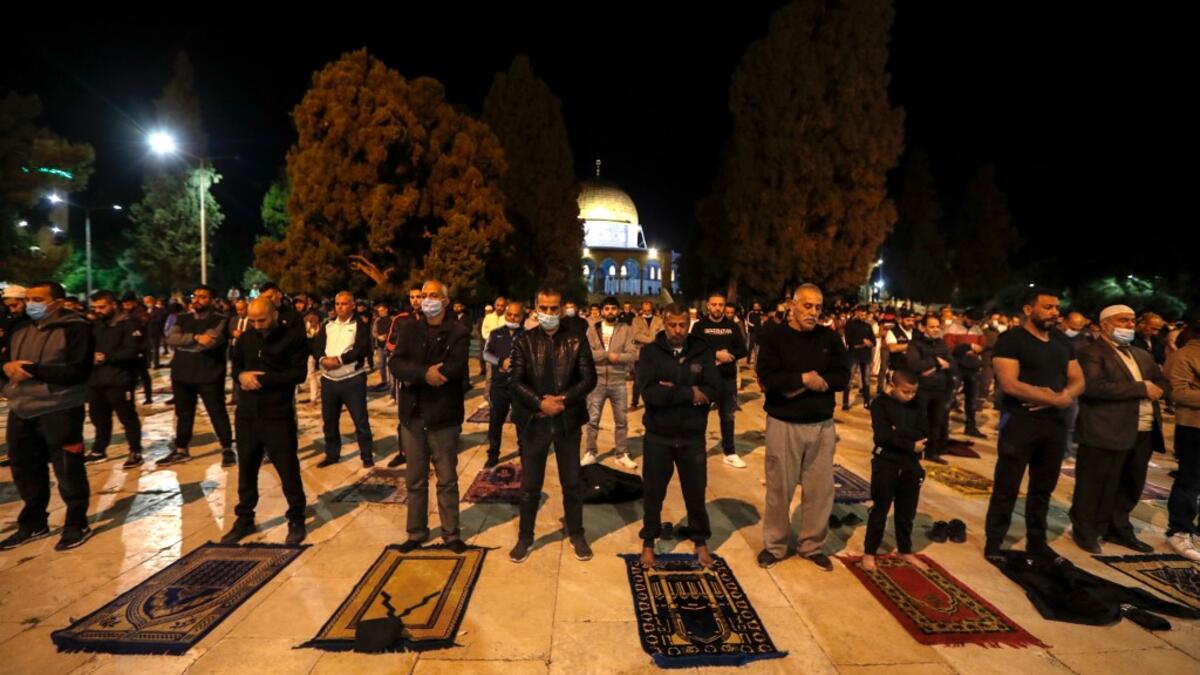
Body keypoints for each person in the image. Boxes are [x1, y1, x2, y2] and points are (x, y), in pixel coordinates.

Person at [984, 288, 1084, 562]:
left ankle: (1037, 542)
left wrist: (1062, 398)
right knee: (1007, 486)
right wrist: (1054, 398)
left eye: (1056, 307)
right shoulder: (1011, 340)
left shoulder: (1062, 342)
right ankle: (994, 542)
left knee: (1043, 489)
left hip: (1054, 427)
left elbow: (1078, 380)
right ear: (1028, 310)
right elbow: (1009, 383)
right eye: (1048, 307)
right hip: (1019, 423)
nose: (1055, 312)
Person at [755, 284, 849, 571]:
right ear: (792, 305)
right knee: (779, 489)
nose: (814, 312)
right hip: (784, 424)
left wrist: (818, 381)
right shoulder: (774, 336)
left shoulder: (829, 337)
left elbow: (842, 375)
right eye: (808, 306)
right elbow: (769, 378)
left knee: (820, 491)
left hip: (821, 425)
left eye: (818, 307)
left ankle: (811, 545)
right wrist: (803, 379)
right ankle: (775, 545)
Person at [0, 281, 95, 550]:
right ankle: (33, 523)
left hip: (60, 408)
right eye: (28, 298)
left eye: (38, 299)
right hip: (22, 408)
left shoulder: (76, 328)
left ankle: (77, 523)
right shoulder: (19, 327)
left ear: (58, 302)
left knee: (67, 468)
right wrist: (6, 368)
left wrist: (33, 369)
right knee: (25, 468)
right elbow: (5, 361)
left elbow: (78, 371)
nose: (31, 304)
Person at [507, 287, 597, 564]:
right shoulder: (523, 340)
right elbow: (514, 380)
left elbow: (588, 378)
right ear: (535, 308)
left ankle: (577, 533)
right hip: (535, 422)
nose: (549, 313)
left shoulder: (576, 339)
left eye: (554, 308)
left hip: (567, 421)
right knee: (530, 485)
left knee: (571, 483)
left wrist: (564, 400)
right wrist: (539, 403)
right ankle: (525, 537)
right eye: (544, 308)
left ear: (561, 309)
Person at [1070, 305, 1169, 554]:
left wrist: (1157, 387)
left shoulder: (1140, 354)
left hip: (1143, 430)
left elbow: (1162, 380)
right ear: (1104, 325)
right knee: (1094, 485)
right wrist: (1142, 388)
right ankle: (1086, 531)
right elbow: (1093, 387)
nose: (1129, 326)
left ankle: (1118, 528)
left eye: (1132, 321)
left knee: (1130, 484)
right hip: (1105, 429)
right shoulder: (1091, 352)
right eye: (1123, 320)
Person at [637, 303, 721, 568]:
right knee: (653, 492)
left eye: (682, 325)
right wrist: (688, 393)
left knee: (695, 492)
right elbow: (649, 392)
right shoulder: (651, 353)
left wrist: (672, 389)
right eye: (672, 325)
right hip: (658, 436)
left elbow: (713, 388)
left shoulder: (701, 351)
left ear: (688, 323)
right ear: (664, 323)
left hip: (692, 437)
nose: (677, 330)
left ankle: (700, 542)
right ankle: (649, 541)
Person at [221, 298, 311, 546]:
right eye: (253, 320)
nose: (257, 325)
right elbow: (235, 367)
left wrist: (263, 380)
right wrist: (241, 376)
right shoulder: (246, 338)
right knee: (246, 470)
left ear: (273, 314)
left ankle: (296, 518)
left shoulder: (292, 337)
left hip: (277, 414)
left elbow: (298, 374)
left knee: (287, 468)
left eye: (262, 320)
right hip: (248, 414)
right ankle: (244, 518)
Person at [389, 280, 470, 554]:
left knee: (447, 478)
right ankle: (416, 532)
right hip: (413, 415)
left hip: (444, 415)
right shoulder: (409, 328)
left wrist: (429, 373)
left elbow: (456, 366)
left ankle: (451, 534)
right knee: (415, 479)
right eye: (423, 295)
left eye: (433, 295)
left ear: (445, 301)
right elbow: (396, 362)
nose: (427, 299)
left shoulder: (458, 331)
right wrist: (424, 374)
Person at [160, 285, 234, 467]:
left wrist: (185, 342)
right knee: (183, 414)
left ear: (212, 300)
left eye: (203, 297)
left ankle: (227, 449)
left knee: (217, 413)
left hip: (209, 375)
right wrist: (194, 337)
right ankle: (181, 450)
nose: (198, 300)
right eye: (195, 296)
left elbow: (209, 341)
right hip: (182, 375)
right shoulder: (182, 318)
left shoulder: (220, 319)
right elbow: (171, 338)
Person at [862, 368, 929, 572]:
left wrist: (897, 432)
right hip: (886, 463)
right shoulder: (880, 404)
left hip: (910, 465)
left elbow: (924, 431)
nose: (910, 396)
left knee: (907, 511)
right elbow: (881, 436)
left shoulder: (918, 404)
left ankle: (905, 549)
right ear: (893, 386)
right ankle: (869, 552)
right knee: (880, 509)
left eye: (913, 392)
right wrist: (909, 444)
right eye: (906, 392)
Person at [312, 291, 376, 468]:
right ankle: (332, 454)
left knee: (360, 420)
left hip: (352, 380)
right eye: (337, 304)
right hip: (329, 381)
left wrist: (340, 360)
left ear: (352, 305)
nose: (340, 307)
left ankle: (367, 455)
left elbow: (361, 348)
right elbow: (316, 347)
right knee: (329, 421)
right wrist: (323, 360)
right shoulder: (328, 325)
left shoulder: (359, 325)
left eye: (344, 304)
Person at [84, 291, 144, 468]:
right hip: (95, 380)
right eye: (95, 307)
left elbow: (132, 351)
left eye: (102, 307)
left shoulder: (128, 324)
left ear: (113, 305)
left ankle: (135, 451)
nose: (98, 310)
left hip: (120, 379)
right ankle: (99, 449)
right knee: (99, 417)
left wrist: (106, 357)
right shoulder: (95, 325)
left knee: (127, 417)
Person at [691, 291, 749, 468]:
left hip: (727, 379)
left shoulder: (732, 327)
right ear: (708, 305)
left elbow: (743, 350)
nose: (717, 308)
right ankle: (696, 452)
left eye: (721, 305)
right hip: (705, 380)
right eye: (714, 304)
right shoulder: (699, 327)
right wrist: (715, 355)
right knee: (700, 418)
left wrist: (728, 356)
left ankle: (729, 452)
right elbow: (693, 350)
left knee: (728, 417)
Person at [584, 296, 638, 469]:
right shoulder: (593, 329)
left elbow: (632, 354)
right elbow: (587, 354)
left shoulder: (626, 329)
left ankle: (621, 454)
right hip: (597, 381)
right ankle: (590, 452)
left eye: (613, 309)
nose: (610, 312)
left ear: (619, 311)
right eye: (607, 309)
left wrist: (619, 357)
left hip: (618, 382)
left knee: (621, 420)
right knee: (592, 420)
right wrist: (607, 355)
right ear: (601, 311)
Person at [1164, 315, 1200, 560]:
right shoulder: (1184, 355)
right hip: (1193, 427)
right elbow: (1178, 393)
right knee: (1189, 481)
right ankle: (1179, 530)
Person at [905, 315, 955, 463]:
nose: (935, 330)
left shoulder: (941, 343)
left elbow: (950, 363)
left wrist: (944, 365)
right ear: (923, 327)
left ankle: (932, 451)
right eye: (932, 327)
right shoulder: (915, 344)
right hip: (922, 388)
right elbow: (914, 365)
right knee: (919, 419)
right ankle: (916, 449)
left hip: (940, 387)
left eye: (937, 327)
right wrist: (935, 361)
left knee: (937, 420)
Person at [482, 301, 525, 468]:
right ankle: (493, 454)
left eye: (516, 315)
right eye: (509, 314)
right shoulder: (495, 333)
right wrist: (500, 362)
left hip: (520, 386)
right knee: (495, 421)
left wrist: (518, 364)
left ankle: (524, 451)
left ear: (522, 317)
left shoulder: (528, 335)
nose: (512, 317)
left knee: (522, 420)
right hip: (499, 385)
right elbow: (486, 354)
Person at [630, 301, 663, 410]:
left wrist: (648, 339)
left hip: (655, 354)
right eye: (645, 310)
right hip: (640, 354)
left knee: (655, 379)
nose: (647, 312)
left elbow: (662, 334)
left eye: (649, 310)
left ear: (652, 309)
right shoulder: (636, 320)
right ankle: (634, 401)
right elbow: (635, 335)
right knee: (638, 380)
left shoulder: (659, 320)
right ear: (641, 310)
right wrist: (651, 339)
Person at [842, 305, 876, 411]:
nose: (863, 316)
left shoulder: (868, 326)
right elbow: (849, 340)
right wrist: (863, 342)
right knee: (849, 379)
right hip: (853, 355)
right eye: (861, 314)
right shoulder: (850, 324)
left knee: (866, 380)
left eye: (865, 314)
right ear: (857, 313)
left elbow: (873, 341)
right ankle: (845, 402)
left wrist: (869, 343)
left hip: (866, 356)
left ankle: (866, 402)